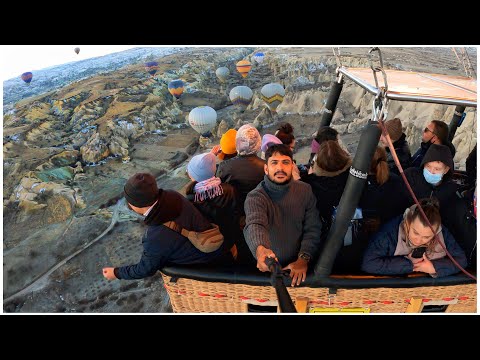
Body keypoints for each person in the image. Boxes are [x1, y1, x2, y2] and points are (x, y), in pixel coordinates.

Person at [102, 173, 229, 281]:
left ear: (136, 204)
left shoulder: (155, 237)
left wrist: (116, 273)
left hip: (206, 266)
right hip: (219, 248)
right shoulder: (173, 195)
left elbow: (145, 269)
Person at [243, 144, 322, 286]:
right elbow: (255, 224)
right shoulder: (256, 197)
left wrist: (303, 259)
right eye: (274, 163)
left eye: (285, 162)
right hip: (267, 268)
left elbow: (312, 228)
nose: (280, 168)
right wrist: (261, 249)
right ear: (266, 169)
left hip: (301, 266)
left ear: (292, 166)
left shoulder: (305, 190)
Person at [361, 198, 467, 278]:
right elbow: (368, 263)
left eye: (427, 237)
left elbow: (461, 260)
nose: (419, 240)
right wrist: (409, 264)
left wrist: (434, 267)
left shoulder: (442, 233)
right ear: (408, 222)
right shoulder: (390, 233)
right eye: (415, 232)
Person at [185, 152, 253, 264]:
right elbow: (236, 213)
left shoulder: (192, 197)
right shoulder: (229, 189)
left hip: (210, 243)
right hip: (230, 238)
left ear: (193, 176)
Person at [404, 143, 458, 224]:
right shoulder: (410, 176)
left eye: (437, 169)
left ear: (446, 170)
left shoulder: (450, 190)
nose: (431, 172)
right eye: (428, 166)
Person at [216, 124, 265, 212]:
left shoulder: (224, 167)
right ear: (258, 143)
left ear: (237, 143)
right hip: (260, 207)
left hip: (236, 210)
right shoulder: (267, 167)